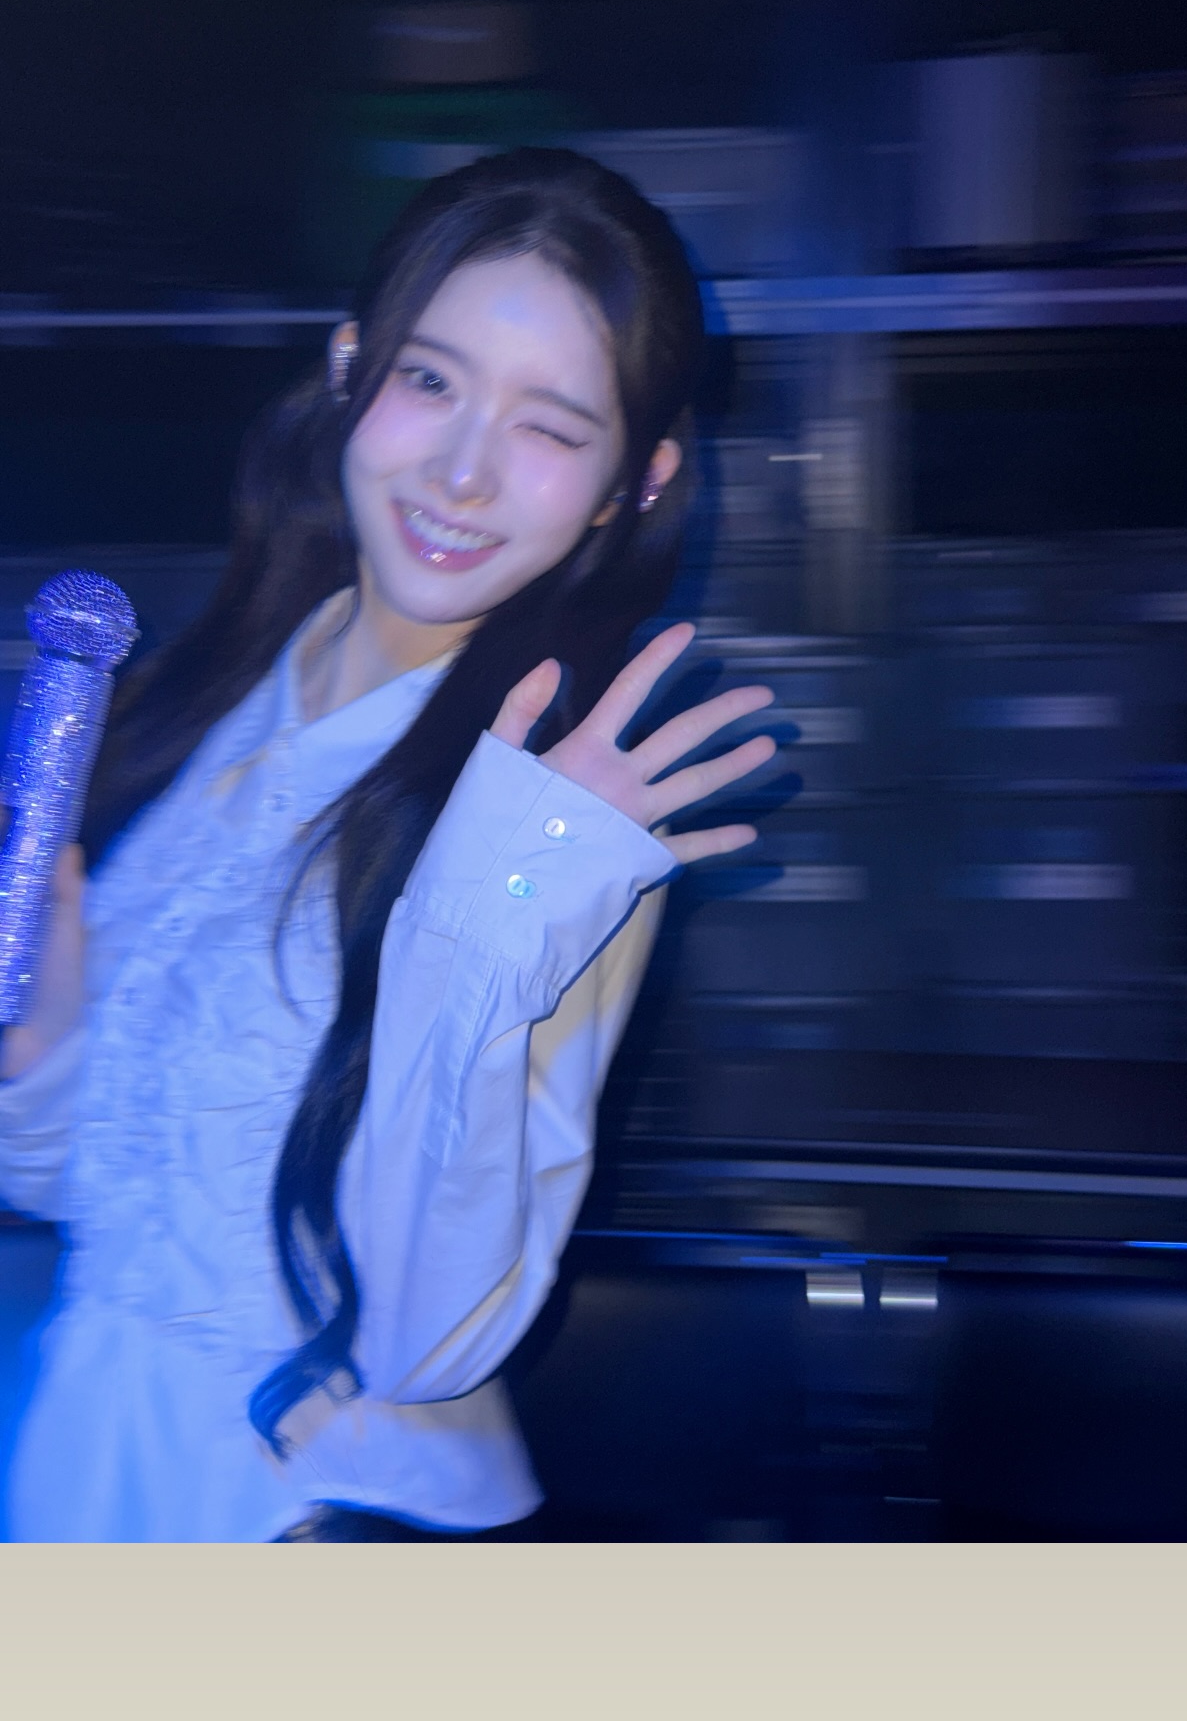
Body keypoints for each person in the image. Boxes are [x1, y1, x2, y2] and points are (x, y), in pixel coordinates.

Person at [0, 147, 775, 1542]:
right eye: (430, 380)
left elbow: (428, 1339)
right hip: (84, 1463)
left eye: (550, 428)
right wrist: (42, 1042)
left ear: (634, 482)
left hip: (294, 1527)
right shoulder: (218, 691)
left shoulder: (559, 822)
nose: (463, 473)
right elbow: (94, 1191)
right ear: (351, 366)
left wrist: (490, 903)